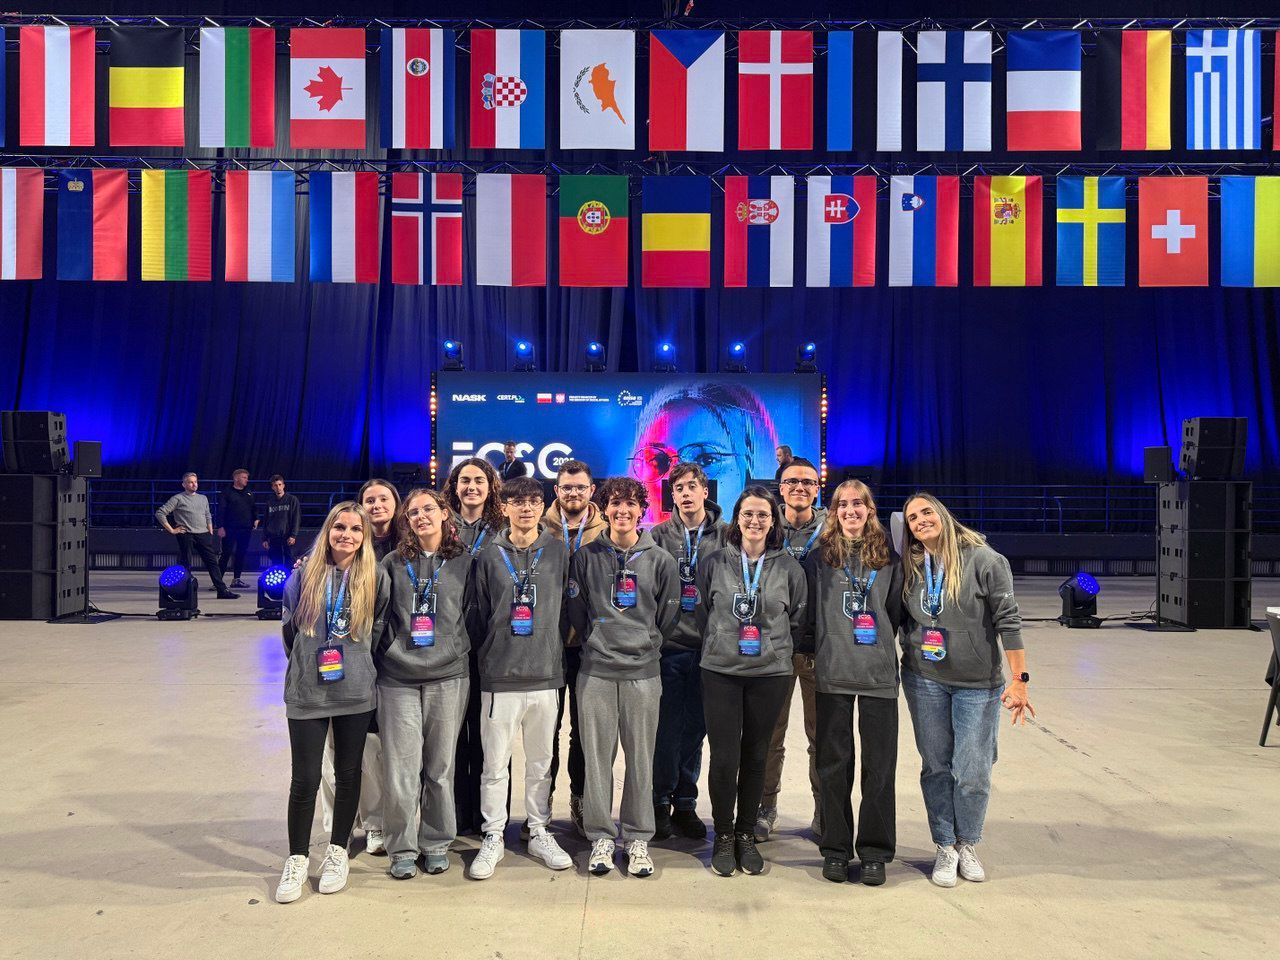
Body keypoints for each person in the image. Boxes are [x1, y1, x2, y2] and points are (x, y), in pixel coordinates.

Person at [900, 493, 1034, 888]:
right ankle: (944, 844)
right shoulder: (912, 564)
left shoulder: (986, 561)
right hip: (924, 679)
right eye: (912, 518)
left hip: (977, 684)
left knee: (973, 770)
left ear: (942, 514)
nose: (920, 521)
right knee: (936, 765)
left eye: (926, 512)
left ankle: (968, 841)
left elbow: (1009, 622)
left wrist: (1020, 681)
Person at [274, 502, 390, 904]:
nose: (347, 535)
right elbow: (290, 633)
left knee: (348, 772)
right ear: (328, 530)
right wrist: (310, 663)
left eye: (356, 529)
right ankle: (297, 858)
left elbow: (378, 631)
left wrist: (356, 666)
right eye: (339, 527)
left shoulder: (374, 577)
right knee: (305, 778)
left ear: (365, 536)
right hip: (308, 692)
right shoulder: (303, 575)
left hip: (355, 692)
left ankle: (339, 851)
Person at [567, 477, 681, 877]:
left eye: (631, 504)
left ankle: (636, 837)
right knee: (597, 759)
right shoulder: (585, 557)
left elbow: (666, 617)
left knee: (640, 758)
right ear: (605, 508)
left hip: (643, 672)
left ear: (642, 510)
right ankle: (600, 834)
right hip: (596, 671)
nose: (623, 511)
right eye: (616, 503)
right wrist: (599, 640)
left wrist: (646, 642)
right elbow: (577, 614)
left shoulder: (660, 559)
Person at [695, 487, 806, 877]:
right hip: (721, 671)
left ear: (773, 521)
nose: (755, 521)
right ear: (736, 519)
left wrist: (773, 647)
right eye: (748, 514)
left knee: (757, 755)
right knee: (725, 757)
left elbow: (796, 618)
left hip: (770, 674)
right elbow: (703, 611)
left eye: (762, 515)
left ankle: (746, 834)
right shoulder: (713, 562)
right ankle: (723, 835)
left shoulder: (790, 568)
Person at [467, 476, 572, 880]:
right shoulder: (489, 556)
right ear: (505, 507)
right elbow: (477, 613)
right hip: (499, 675)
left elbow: (567, 609)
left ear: (542, 505)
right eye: (517, 501)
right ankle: (493, 834)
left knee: (541, 763)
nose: (526, 508)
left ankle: (538, 829)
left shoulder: (559, 551)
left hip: (546, 674)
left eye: (533, 501)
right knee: (495, 764)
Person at [807, 480, 903, 886]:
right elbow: (809, 614)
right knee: (833, 766)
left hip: (878, 675)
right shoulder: (819, 559)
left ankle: (875, 852)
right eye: (842, 504)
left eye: (858, 504)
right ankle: (835, 848)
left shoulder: (890, 560)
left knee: (878, 768)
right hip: (833, 674)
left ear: (870, 509)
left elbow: (895, 613)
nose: (850, 511)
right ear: (833, 511)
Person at [376, 488, 475, 879]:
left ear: (444, 513)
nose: (421, 517)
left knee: (440, 767)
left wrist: (455, 648)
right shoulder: (393, 562)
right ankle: (401, 846)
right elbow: (379, 618)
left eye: (428, 509)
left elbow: (477, 613)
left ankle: (436, 842)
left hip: (449, 676)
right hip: (398, 677)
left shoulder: (466, 561)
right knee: (401, 768)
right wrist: (391, 654)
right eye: (413, 512)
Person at [648, 462, 728, 841]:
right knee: (665, 729)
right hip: (669, 647)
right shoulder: (659, 535)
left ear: (704, 491)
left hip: (710, 649)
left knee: (696, 730)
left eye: (691, 486)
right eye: (678, 487)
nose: (684, 493)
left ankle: (685, 802)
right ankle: (659, 801)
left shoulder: (726, 535)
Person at [758, 456, 827, 842]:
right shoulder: (763, 525)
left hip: (819, 648)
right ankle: (766, 807)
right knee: (770, 735)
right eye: (791, 481)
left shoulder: (834, 530)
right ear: (780, 488)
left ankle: (823, 807)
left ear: (817, 488)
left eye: (807, 481)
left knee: (823, 737)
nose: (799, 487)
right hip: (773, 648)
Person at [540, 459, 607, 837]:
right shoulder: (538, 526)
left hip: (589, 647)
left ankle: (580, 800)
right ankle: (543, 803)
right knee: (546, 729)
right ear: (557, 491)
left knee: (583, 733)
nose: (574, 493)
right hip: (547, 645)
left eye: (580, 487)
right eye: (567, 487)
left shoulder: (607, 529)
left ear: (591, 490)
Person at [441, 457, 505, 834]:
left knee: (488, 738)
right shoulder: (442, 525)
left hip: (491, 644)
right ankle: (456, 815)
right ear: (454, 485)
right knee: (452, 738)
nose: (471, 487)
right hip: (449, 642)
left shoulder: (502, 527)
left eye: (479, 480)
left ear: (490, 486)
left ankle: (490, 819)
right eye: (464, 480)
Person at [154, 472, 238, 599]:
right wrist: (172, 530)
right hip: (186, 534)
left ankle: (222, 590)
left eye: (195, 482)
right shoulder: (178, 498)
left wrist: (209, 529)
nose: (194, 484)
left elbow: (207, 514)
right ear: (184, 484)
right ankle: (184, 591)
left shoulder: (203, 498)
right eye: (190, 482)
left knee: (212, 563)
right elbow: (160, 513)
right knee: (186, 563)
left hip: (203, 534)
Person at [217, 468, 258, 588]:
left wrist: (256, 518)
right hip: (230, 529)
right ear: (236, 478)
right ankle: (218, 581)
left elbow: (254, 508)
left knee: (241, 553)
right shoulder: (227, 492)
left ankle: (237, 579)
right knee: (226, 553)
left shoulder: (249, 493)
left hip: (245, 529)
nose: (247, 480)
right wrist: (220, 527)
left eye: (247, 478)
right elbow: (221, 511)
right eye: (244, 477)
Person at [262, 475, 302, 566]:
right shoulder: (270, 501)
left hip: (288, 536)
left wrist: (293, 535)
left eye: (280, 485)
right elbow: (266, 520)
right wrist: (264, 538)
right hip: (273, 537)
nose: (278, 487)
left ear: (283, 485)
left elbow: (296, 518)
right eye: (275, 485)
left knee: (290, 561)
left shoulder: (292, 500)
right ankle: (279, 580)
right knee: (276, 561)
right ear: (272, 487)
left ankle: (290, 580)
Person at [359, 479, 402, 560]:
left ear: (395, 504)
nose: (377, 505)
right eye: (370, 501)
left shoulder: (410, 541)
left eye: (384, 499)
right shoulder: (355, 542)